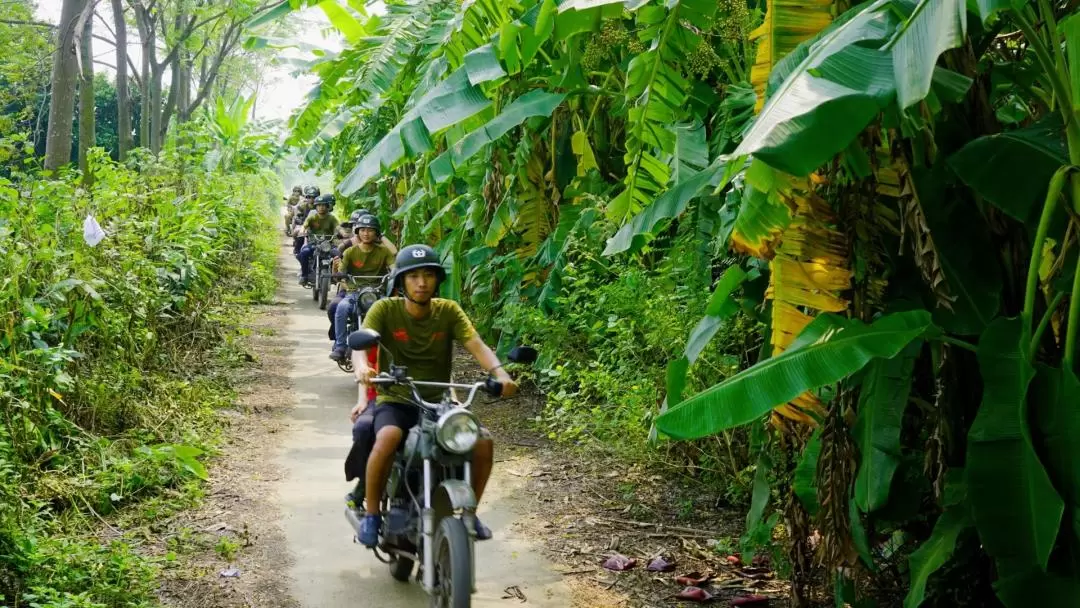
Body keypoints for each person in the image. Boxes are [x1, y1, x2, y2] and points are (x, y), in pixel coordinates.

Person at [350, 244, 517, 547]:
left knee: (482, 442)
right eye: (413, 276)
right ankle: (372, 514)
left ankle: (469, 512)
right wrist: (363, 368)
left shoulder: (449, 311)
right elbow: (360, 348)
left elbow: (476, 344)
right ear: (401, 282)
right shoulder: (385, 309)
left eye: (428, 275)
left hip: (440, 402)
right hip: (398, 398)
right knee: (386, 437)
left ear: (437, 280)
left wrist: (500, 374)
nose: (422, 282)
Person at [329, 215, 394, 362]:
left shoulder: (384, 251)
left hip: (377, 291)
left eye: (370, 230)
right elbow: (341, 273)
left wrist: (396, 274)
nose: (366, 233)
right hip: (355, 292)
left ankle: (392, 346)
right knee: (342, 308)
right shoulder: (350, 252)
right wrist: (346, 283)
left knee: (391, 311)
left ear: (376, 233)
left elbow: (393, 267)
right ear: (357, 231)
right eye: (363, 230)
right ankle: (340, 346)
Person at [296, 193, 339, 285]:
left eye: (323, 205)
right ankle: (304, 275)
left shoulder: (332, 218)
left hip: (328, 244)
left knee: (339, 254)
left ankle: (336, 276)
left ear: (327, 206)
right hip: (314, 243)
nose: (321, 207)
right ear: (316, 207)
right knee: (304, 253)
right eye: (319, 205)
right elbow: (305, 225)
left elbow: (338, 227)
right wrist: (302, 230)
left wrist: (341, 233)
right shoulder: (312, 217)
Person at [292, 186, 319, 258]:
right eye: (309, 197)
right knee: (299, 234)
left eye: (313, 197)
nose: (311, 199)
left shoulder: (320, 206)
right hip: (304, 225)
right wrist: (300, 221)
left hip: (318, 226)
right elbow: (297, 215)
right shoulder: (303, 205)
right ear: (306, 197)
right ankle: (297, 249)